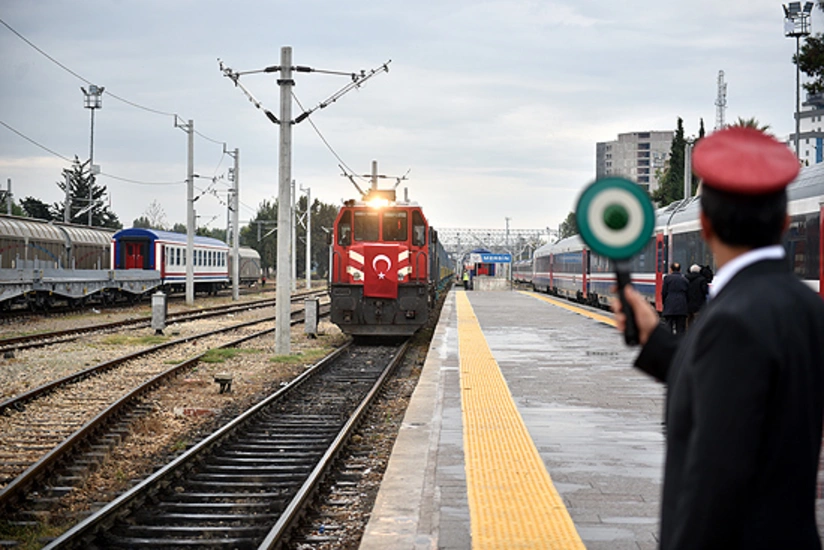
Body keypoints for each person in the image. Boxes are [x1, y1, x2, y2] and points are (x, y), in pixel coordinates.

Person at [612, 126, 824, 550]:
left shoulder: (733, 320)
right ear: (783, 223)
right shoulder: (807, 308)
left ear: (705, 224)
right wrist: (656, 342)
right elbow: (747, 394)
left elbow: (715, 483)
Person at [661, 262, 688, 335]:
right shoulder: (684, 279)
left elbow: (663, 292)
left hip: (669, 304)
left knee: (668, 326)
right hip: (682, 305)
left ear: (671, 270)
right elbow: (687, 293)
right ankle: (680, 343)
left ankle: (668, 342)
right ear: (680, 270)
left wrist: (664, 303)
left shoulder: (667, 279)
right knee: (680, 328)